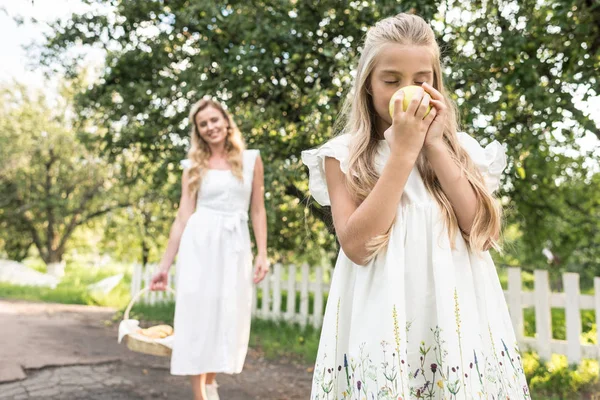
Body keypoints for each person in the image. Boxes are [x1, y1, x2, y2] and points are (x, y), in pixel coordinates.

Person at [301, 13, 530, 399]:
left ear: (436, 84)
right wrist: (403, 151)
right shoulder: (344, 156)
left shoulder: (462, 149)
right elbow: (357, 246)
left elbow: (482, 233)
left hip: (456, 318)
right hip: (383, 316)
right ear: (368, 86)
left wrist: (435, 146)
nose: (408, 90)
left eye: (421, 80)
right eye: (391, 81)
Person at [150, 97, 269, 400]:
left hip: (234, 245)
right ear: (198, 131)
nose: (210, 127)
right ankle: (200, 394)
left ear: (226, 121)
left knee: (227, 312)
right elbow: (182, 217)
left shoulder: (251, 159)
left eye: (214, 120)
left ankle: (211, 382)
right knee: (197, 314)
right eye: (203, 124)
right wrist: (164, 266)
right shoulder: (193, 166)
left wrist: (262, 253)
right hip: (199, 244)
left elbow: (258, 210)